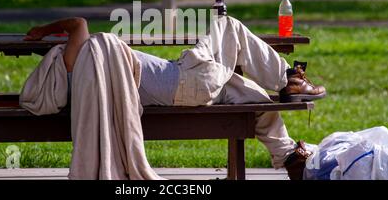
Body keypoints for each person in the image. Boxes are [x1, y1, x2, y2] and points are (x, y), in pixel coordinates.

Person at [24, 16, 326, 180]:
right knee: (227, 25)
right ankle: (291, 78)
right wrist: (44, 29)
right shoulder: (80, 58)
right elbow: (78, 24)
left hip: (189, 92)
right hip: (188, 81)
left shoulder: (79, 82)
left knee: (254, 97)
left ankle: (290, 158)